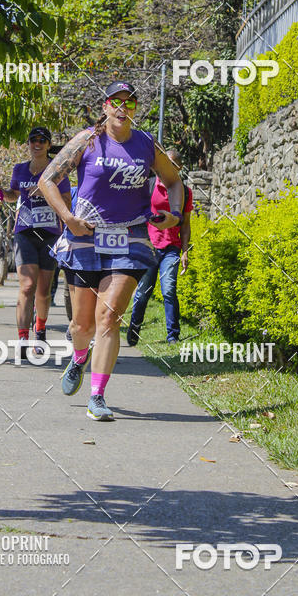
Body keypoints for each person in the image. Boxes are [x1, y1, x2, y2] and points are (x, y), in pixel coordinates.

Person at [38, 81, 184, 421]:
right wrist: (68, 218)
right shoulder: (87, 140)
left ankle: (97, 395)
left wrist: (173, 216)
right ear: (104, 106)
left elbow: (174, 180)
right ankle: (78, 357)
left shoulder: (146, 143)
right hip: (85, 234)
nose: (123, 108)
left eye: (130, 103)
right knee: (81, 325)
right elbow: (47, 179)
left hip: (130, 236)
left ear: (135, 109)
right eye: (116, 102)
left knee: (110, 316)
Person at [0, 127, 71, 357]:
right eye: (33, 140)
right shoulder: (20, 169)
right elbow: (13, 194)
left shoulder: (57, 170)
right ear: (28, 143)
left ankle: (40, 330)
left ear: (48, 145)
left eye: (42, 140)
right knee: (27, 286)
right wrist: (1, 193)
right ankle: (22, 340)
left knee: (44, 291)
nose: (36, 144)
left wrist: (48, 194)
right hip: (25, 232)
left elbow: (66, 200)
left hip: (49, 234)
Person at [127, 148, 193, 345]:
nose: (167, 167)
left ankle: (173, 335)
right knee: (142, 293)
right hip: (149, 247)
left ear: (179, 168)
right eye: (165, 162)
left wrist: (185, 250)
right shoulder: (148, 186)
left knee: (169, 291)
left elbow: (186, 223)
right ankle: (134, 328)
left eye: (172, 164)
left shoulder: (184, 192)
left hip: (171, 249)